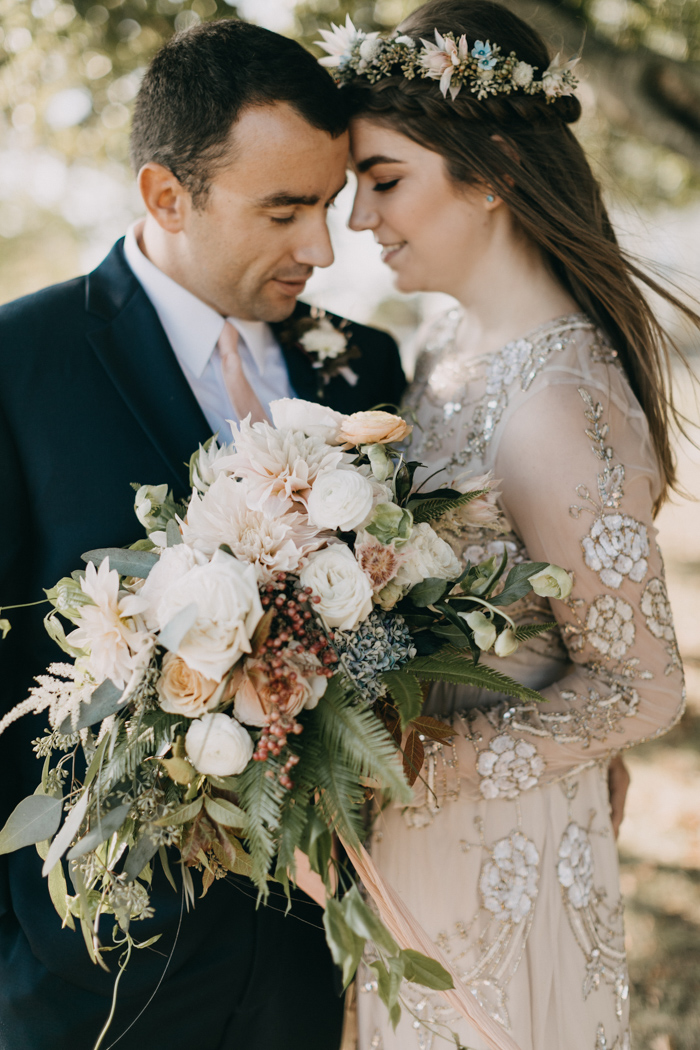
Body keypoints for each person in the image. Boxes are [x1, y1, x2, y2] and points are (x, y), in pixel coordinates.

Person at [0, 19, 404, 1050]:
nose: (321, 246)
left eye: (325, 202)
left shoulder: (360, 371)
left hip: (302, 966)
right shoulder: (21, 365)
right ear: (166, 196)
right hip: (82, 978)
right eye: (284, 209)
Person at [324, 1, 690, 1046]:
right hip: (414, 844)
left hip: (493, 849)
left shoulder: (553, 401)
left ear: (486, 170)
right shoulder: (444, 341)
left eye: (383, 180)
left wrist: (412, 760)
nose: (360, 220)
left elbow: (641, 684)